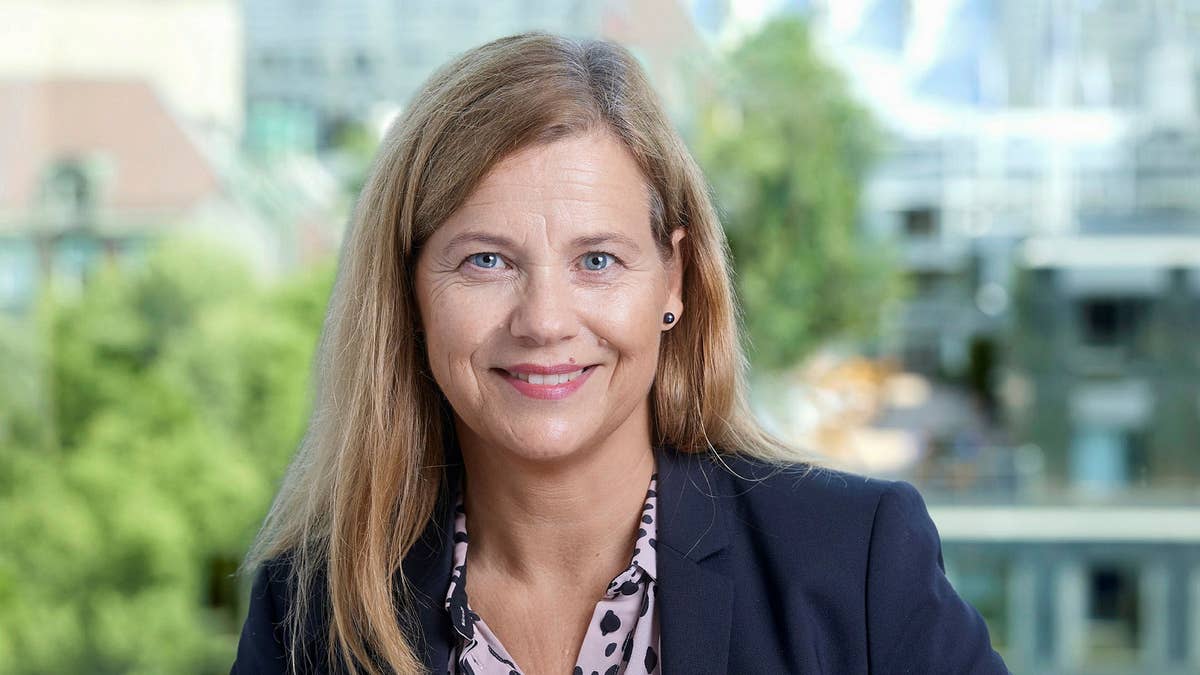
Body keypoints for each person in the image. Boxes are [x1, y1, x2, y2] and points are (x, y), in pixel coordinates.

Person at [230, 32, 1009, 675]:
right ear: (408, 294)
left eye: (597, 260)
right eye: (486, 260)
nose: (544, 320)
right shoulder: (309, 615)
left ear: (673, 278)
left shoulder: (854, 561)